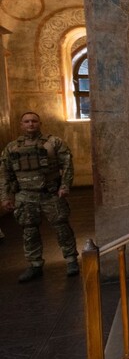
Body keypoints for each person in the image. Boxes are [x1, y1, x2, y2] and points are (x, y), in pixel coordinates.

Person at [0, 112, 79, 282]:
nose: (30, 124)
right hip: (25, 196)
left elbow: (67, 164)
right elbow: (5, 174)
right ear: (21, 125)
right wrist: (6, 197)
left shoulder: (53, 143)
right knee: (29, 232)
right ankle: (35, 264)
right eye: (26, 121)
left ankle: (72, 260)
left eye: (34, 121)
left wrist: (65, 186)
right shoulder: (11, 148)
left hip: (50, 194)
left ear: (40, 123)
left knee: (62, 228)